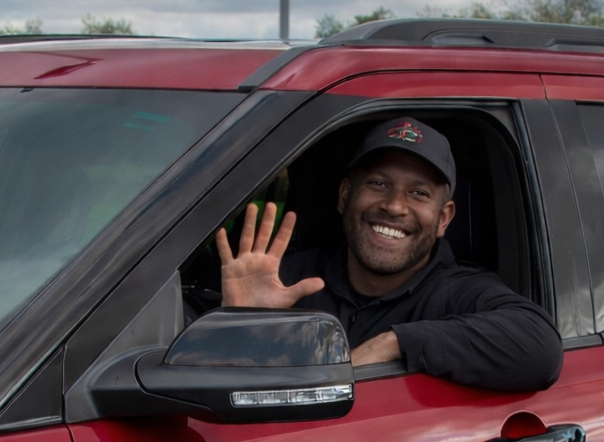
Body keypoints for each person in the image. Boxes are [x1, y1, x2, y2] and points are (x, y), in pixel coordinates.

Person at [215, 117, 563, 391]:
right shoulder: (287, 280)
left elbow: (541, 348)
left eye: (419, 193)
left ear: (443, 218)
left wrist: (394, 343)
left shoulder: (460, 292)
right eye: (379, 184)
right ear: (344, 195)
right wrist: (237, 325)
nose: (395, 206)